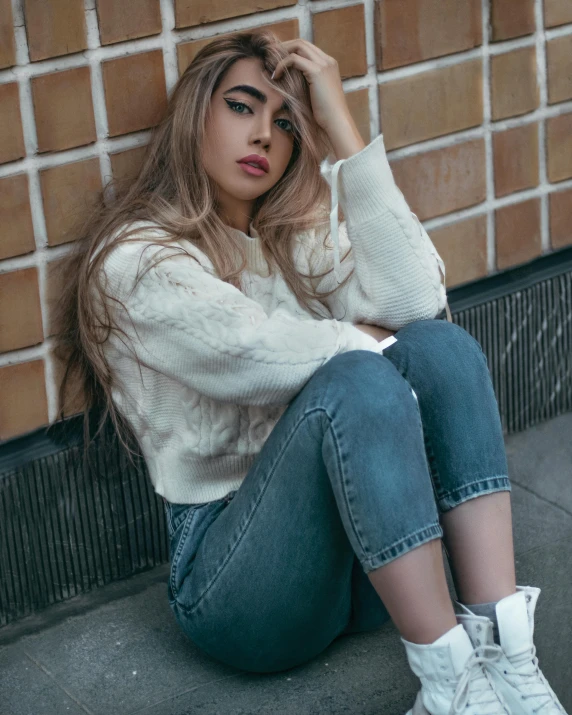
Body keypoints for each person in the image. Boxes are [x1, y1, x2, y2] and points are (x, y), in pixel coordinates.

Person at [52, 30, 567, 715]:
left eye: (287, 121)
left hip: (362, 567)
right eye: (241, 107)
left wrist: (346, 133)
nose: (263, 133)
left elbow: (417, 302)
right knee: (356, 379)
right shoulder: (135, 261)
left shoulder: (291, 232)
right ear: (195, 116)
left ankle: (506, 654)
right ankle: (454, 692)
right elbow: (250, 353)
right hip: (237, 589)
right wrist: (360, 341)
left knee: (441, 348)